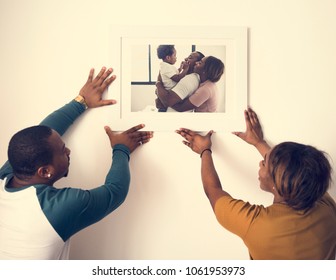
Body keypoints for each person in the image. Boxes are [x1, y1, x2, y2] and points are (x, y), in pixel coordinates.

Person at [0, 67, 153, 260]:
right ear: (45, 171)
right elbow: (115, 191)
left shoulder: (9, 175)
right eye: (63, 151)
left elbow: (44, 131)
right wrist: (121, 148)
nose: (68, 151)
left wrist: (81, 101)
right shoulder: (57, 208)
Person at [176, 107, 336, 259]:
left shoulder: (257, 225)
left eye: (265, 163)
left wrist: (204, 150)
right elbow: (291, 172)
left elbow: (213, 191)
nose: (260, 163)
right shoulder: (323, 204)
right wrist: (259, 142)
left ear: (278, 183)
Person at [156, 55, 224, 112]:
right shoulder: (205, 83)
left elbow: (178, 107)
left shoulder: (205, 89)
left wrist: (159, 83)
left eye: (200, 63)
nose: (196, 63)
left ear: (205, 71)